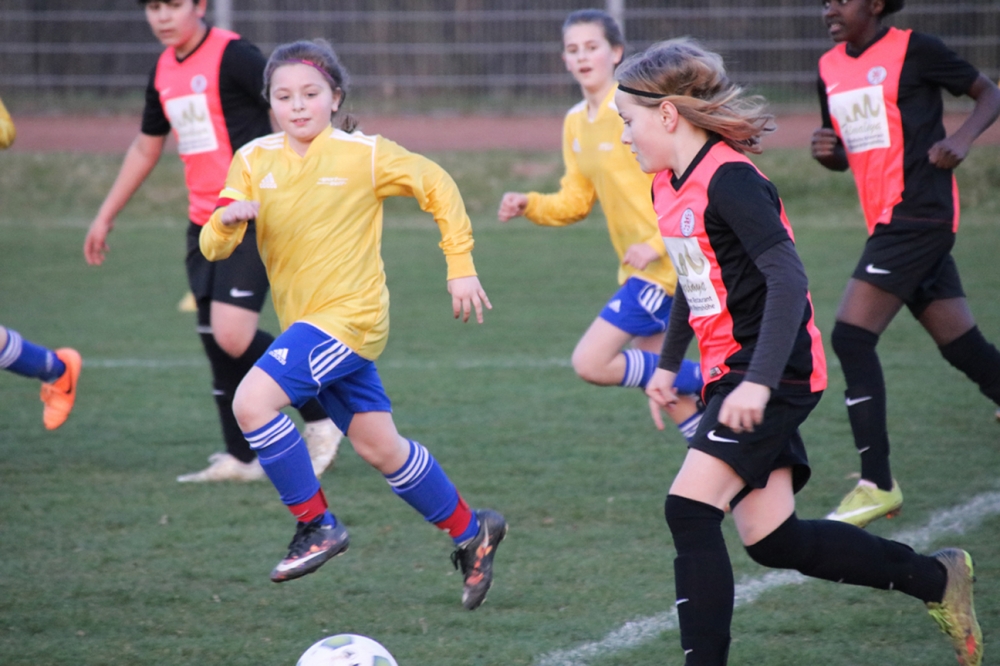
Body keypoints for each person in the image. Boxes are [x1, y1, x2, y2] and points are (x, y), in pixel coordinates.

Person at [620, 38, 982, 666]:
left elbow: (788, 280)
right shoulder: (666, 185)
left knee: (689, 509)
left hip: (773, 369)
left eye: (628, 120)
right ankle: (936, 578)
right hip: (734, 372)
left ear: (668, 114)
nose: (625, 135)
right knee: (772, 539)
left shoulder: (731, 179)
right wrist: (669, 363)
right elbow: (691, 274)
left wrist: (758, 383)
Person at [199, 39, 506, 610]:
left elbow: (437, 184)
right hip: (309, 324)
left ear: (335, 98)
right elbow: (213, 246)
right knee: (380, 448)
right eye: (284, 96)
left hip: (351, 318)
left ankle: (316, 525)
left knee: (251, 403)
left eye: (310, 93)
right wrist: (227, 220)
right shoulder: (253, 159)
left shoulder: (363, 154)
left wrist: (460, 266)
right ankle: (473, 532)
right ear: (270, 103)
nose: (297, 105)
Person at [83, 0, 341, 483]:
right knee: (215, 342)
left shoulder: (235, 56)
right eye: (153, 7)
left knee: (232, 334)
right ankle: (242, 458)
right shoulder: (163, 70)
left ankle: (322, 414)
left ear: (200, 5)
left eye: (173, 4)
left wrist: (314, 178)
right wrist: (105, 215)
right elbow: (145, 146)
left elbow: (295, 104)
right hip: (204, 222)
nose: (162, 16)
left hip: (253, 215)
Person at [811, 0, 1000, 528]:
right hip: (885, 220)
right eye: (824, 1)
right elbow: (847, 150)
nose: (829, 8)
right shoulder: (827, 67)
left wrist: (960, 139)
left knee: (851, 336)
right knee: (961, 344)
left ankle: (877, 483)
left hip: (919, 214)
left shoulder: (917, 50)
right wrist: (829, 154)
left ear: (874, 3)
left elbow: (989, 93)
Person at [496, 9, 704, 443]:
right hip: (636, 268)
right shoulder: (575, 121)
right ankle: (723, 465)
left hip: (666, 266)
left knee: (591, 361)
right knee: (666, 390)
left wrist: (655, 244)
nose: (582, 56)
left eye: (592, 47)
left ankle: (723, 377)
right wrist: (530, 203)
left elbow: (682, 181)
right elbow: (575, 201)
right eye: (573, 49)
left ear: (616, 52)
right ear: (564, 60)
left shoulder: (636, 109)